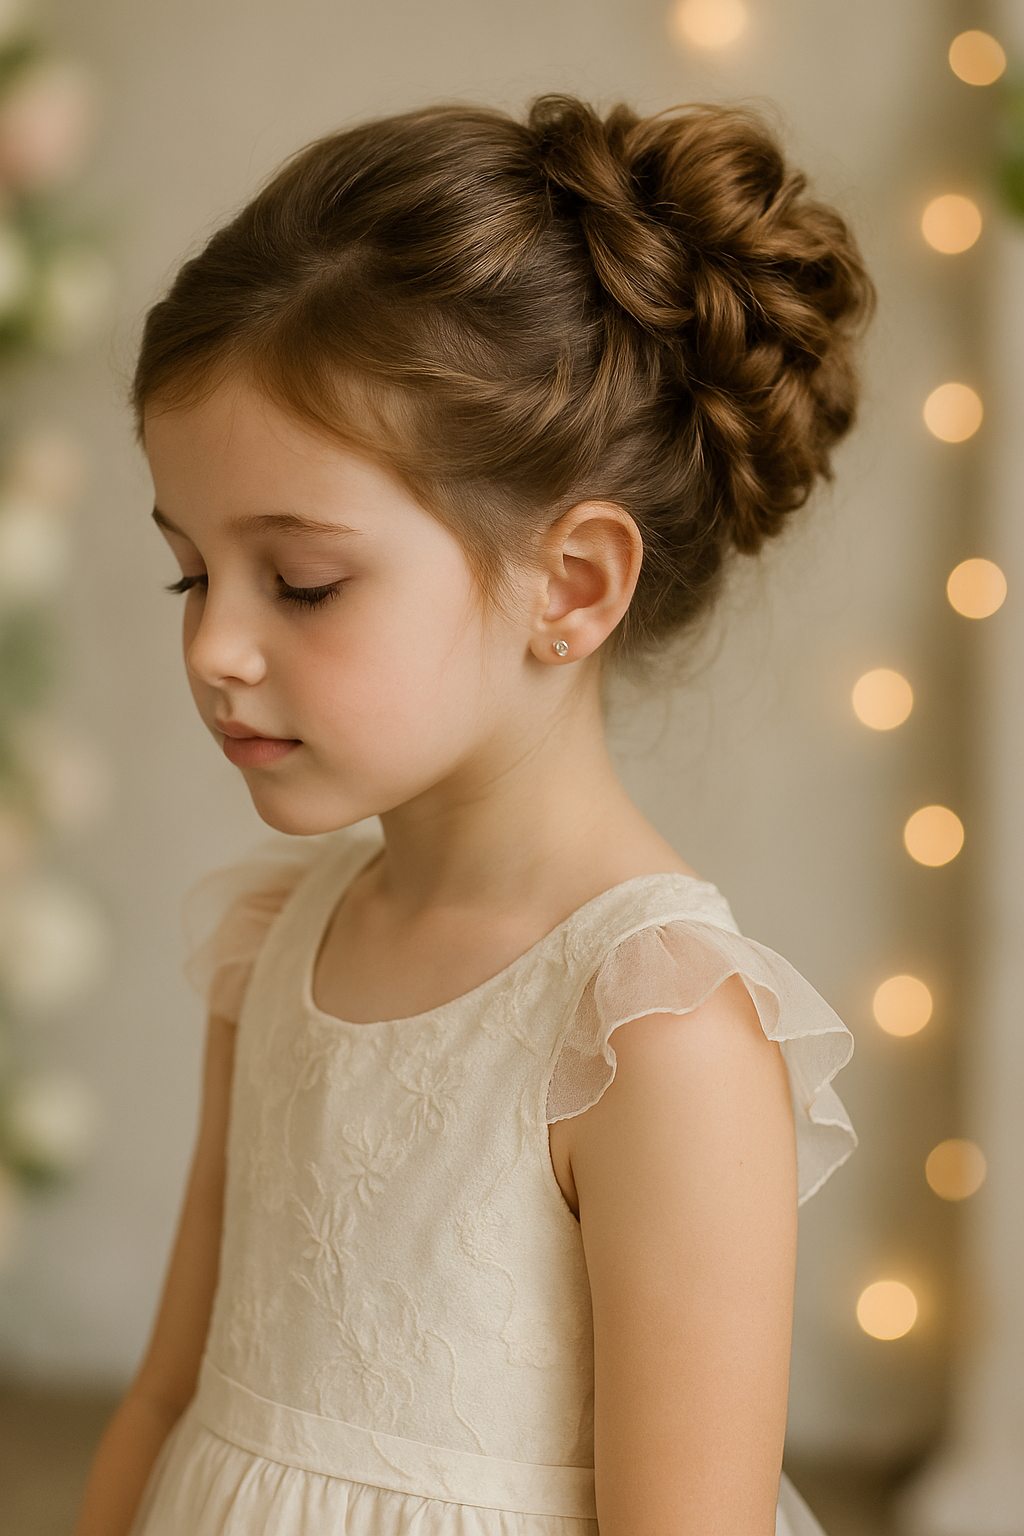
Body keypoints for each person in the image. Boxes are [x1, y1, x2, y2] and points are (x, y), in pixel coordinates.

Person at [75, 94, 871, 1536]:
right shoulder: (273, 943)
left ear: (569, 586)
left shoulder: (658, 1034)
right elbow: (164, 1395)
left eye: (301, 581)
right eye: (189, 573)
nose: (212, 648)